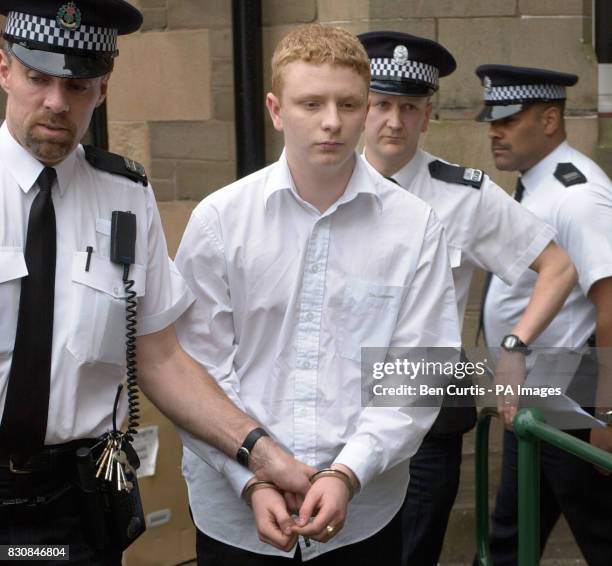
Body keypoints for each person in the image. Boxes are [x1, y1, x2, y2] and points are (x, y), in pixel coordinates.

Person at [0, 2, 313, 563]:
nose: (55, 101)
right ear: (4, 69)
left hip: (79, 500)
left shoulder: (125, 195)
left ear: (102, 87)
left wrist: (259, 453)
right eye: (37, 77)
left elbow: (161, 357)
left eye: (77, 85)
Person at [174, 24, 461, 565]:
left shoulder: (415, 226)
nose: (332, 121)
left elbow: (416, 369)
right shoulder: (219, 221)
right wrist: (253, 477)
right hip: (236, 512)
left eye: (349, 104)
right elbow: (197, 369)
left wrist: (347, 472)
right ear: (276, 110)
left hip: (363, 513)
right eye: (311, 103)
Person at [358, 32, 576, 566]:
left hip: (425, 413)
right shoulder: (320, 182)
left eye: (408, 108)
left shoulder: (463, 194)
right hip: (338, 407)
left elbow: (559, 266)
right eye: (381, 104)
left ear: (427, 117)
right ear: (360, 106)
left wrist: (515, 345)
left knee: (412, 553)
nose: (393, 121)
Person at [476, 63, 612, 565]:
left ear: (550, 119)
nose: (494, 130)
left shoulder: (578, 196)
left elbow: (610, 301)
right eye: (492, 118)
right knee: (511, 539)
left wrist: (608, 414)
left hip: (572, 396)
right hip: (537, 396)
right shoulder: (540, 185)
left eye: (508, 119)